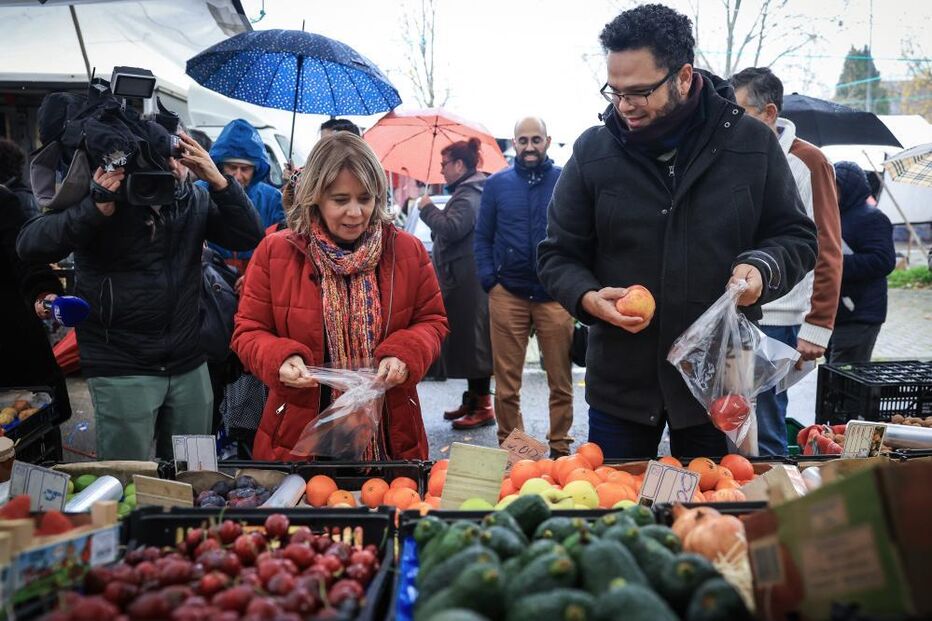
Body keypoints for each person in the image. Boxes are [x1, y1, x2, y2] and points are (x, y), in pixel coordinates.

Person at [537, 4, 818, 459]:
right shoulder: (593, 152)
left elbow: (797, 237)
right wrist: (588, 298)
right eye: (615, 91)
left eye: (640, 91)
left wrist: (761, 270)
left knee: (714, 513)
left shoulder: (750, 144)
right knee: (616, 514)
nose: (624, 105)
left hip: (717, 384)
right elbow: (556, 255)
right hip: (622, 387)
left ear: (683, 77)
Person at [16, 132, 264, 460]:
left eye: (179, 158)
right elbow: (30, 245)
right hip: (122, 364)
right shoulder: (104, 200)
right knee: (124, 479)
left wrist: (219, 181)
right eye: (163, 160)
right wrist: (94, 207)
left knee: (192, 473)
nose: (174, 168)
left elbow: (249, 235)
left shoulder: (194, 198)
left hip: (188, 360)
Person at [231, 132, 448, 461]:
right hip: (296, 430)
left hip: (391, 431)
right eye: (340, 199)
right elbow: (248, 331)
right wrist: (280, 359)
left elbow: (432, 321)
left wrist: (404, 353)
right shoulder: (275, 251)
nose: (355, 212)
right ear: (316, 196)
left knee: (390, 510)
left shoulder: (406, 250)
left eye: (365, 198)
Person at [731, 67, 843, 456]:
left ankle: (773, 505)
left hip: (781, 319)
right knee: (733, 419)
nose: (730, 119)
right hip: (738, 310)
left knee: (766, 424)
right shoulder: (738, 156)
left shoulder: (807, 161)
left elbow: (827, 244)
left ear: (769, 112)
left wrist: (818, 326)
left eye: (739, 110)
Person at [475, 117, 575, 457]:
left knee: (560, 381)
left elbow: (581, 234)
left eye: (536, 139)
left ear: (547, 141)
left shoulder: (565, 180)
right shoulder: (497, 185)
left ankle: (560, 448)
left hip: (554, 295)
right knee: (506, 385)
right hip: (508, 293)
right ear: (514, 144)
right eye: (523, 140)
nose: (529, 146)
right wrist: (490, 280)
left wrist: (572, 282)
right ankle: (514, 451)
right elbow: (482, 236)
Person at [417, 138, 494, 429]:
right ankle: (474, 399)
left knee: (475, 345)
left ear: (459, 164)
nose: (442, 170)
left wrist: (426, 209)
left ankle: (483, 406)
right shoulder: (467, 190)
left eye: (444, 164)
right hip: (462, 279)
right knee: (467, 342)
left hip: (468, 282)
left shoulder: (469, 193)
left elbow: (451, 228)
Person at [0, 142, 72, 430]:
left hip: (10, 338)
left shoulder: (5, 203)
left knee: (26, 434)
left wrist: (45, 293)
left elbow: (26, 258)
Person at [827, 161, 896, 363]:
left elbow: (883, 261)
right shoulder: (833, 216)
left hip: (860, 315)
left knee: (847, 381)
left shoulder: (872, 218)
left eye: (836, 186)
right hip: (837, 313)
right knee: (833, 378)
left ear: (850, 188)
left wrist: (833, 263)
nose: (830, 191)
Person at [207, 119, 284, 274]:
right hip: (211, 278)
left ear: (256, 169)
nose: (238, 176)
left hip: (257, 277)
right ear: (221, 166)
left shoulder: (272, 198)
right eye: (232, 167)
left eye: (245, 169)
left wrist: (256, 275)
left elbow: (280, 247)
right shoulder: (201, 192)